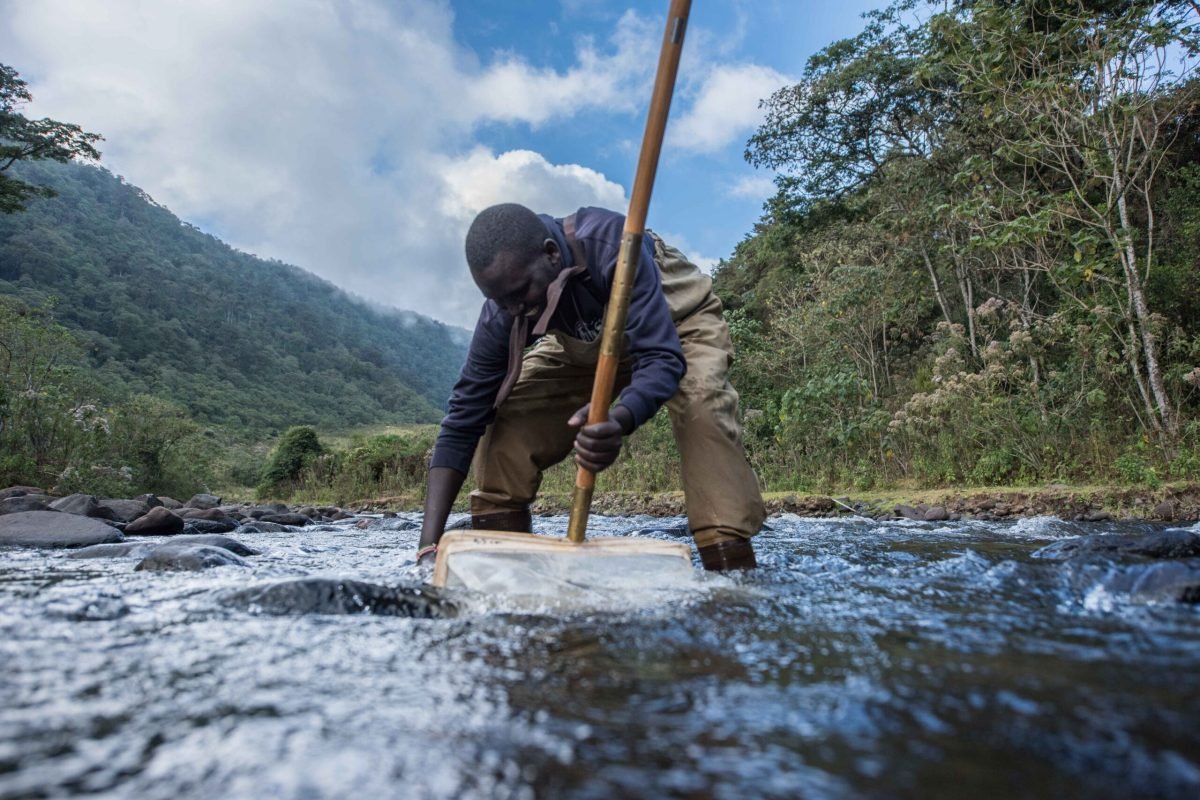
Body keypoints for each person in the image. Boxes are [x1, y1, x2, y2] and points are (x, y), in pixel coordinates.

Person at [416, 203, 764, 571]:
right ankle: (506, 569)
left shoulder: (612, 246)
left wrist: (619, 419)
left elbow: (661, 358)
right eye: (499, 300)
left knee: (701, 407)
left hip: (676, 327)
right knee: (509, 419)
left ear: (551, 254)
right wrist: (427, 548)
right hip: (583, 346)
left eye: (520, 293)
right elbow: (462, 419)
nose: (514, 309)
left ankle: (729, 574)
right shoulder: (507, 307)